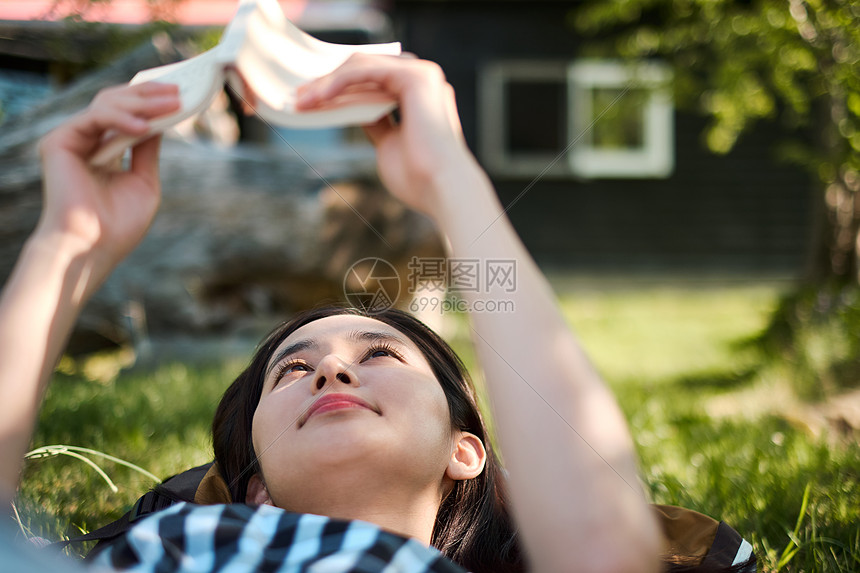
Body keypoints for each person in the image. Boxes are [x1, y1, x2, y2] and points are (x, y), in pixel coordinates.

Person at [0, 53, 749, 572]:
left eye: (381, 354)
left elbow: (601, 553)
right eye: (291, 370)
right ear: (254, 485)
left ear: (467, 451)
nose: (328, 364)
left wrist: (451, 178)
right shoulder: (182, 541)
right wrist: (66, 242)